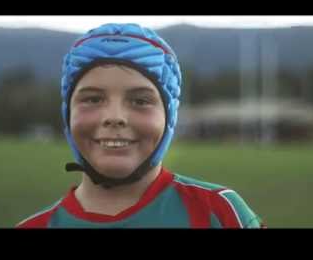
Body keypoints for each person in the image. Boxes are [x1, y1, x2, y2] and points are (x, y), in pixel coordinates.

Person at [17, 23, 264, 228]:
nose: (114, 117)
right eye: (93, 99)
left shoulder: (221, 213)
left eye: (140, 100)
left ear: (169, 117)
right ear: (67, 113)